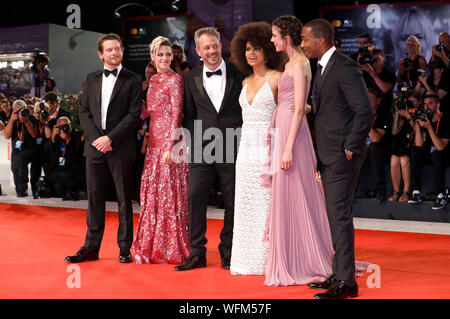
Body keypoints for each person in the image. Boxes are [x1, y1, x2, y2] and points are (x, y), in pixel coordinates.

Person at [301, 18, 373, 299]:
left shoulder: (345, 67)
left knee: (339, 216)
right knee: (335, 216)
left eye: (306, 40)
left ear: (320, 39)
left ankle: (348, 283)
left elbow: (364, 110)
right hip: (329, 154)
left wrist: (350, 147)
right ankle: (339, 273)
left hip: (343, 156)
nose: (303, 45)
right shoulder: (322, 67)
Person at [260, 15, 333, 288]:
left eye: (274, 35)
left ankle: (302, 260)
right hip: (285, 132)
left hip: (293, 139)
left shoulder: (300, 63)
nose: (271, 39)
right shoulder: (291, 62)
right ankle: (292, 257)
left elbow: (300, 107)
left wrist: (288, 148)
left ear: (286, 37)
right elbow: (301, 104)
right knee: (288, 196)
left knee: (297, 194)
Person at [65, 33, 142, 264]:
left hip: (120, 146)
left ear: (122, 51)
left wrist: (110, 138)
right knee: (95, 199)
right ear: (101, 54)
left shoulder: (133, 79)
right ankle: (91, 247)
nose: (114, 53)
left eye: (117, 49)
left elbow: (133, 114)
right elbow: (83, 111)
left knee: (123, 200)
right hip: (94, 147)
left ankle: (124, 248)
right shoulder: (91, 78)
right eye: (109, 50)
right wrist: (98, 138)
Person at [175, 27, 244, 271]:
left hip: (232, 145)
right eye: (207, 47)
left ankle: (228, 250)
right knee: (194, 197)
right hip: (202, 149)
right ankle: (197, 252)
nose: (212, 51)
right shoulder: (190, 77)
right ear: (198, 51)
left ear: (221, 45)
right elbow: (189, 115)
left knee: (233, 201)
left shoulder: (239, 73)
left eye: (215, 45)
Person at [228, 21, 285, 275]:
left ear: (268, 52)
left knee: (267, 207)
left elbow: (290, 115)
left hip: (268, 150)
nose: (251, 53)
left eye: (257, 49)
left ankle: (268, 260)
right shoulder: (243, 82)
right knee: (246, 207)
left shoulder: (278, 78)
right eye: (248, 49)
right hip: (246, 153)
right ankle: (245, 259)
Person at [133, 36, 190, 264]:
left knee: (169, 197)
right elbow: (147, 113)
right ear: (153, 56)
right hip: (154, 145)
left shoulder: (175, 80)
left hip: (169, 145)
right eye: (161, 54)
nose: (165, 58)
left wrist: (171, 147)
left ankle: (170, 247)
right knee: (154, 197)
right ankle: (154, 245)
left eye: (168, 55)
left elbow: (177, 114)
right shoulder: (153, 80)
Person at [408, 94, 450, 210]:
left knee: (437, 153)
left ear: (437, 105)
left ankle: (440, 195)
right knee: (415, 151)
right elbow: (419, 144)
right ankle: (416, 192)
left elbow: (441, 146)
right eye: (425, 104)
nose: (427, 107)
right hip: (430, 153)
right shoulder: (425, 119)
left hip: (444, 153)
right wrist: (417, 126)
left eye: (430, 103)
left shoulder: (446, 119)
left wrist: (429, 127)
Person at [3, 99, 38, 197]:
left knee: (21, 160)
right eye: (18, 111)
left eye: (22, 110)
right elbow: (6, 135)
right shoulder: (12, 120)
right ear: (14, 111)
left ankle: (23, 189)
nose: (20, 113)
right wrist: (11, 120)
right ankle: (19, 189)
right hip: (17, 150)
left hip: (30, 149)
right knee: (15, 166)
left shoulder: (31, 118)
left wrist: (26, 121)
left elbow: (34, 134)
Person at [47, 116, 84, 200]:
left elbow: (77, 156)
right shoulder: (57, 137)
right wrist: (52, 138)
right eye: (61, 126)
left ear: (70, 125)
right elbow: (48, 153)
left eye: (66, 125)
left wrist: (68, 141)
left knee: (60, 185)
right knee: (51, 181)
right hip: (58, 170)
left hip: (72, 170)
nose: (64, 128)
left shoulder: (77, 136)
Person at [364, 89, 390, 203]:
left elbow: (376, 138)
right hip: (362, 147)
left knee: (374, 148)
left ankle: (380, 190)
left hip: (381, 150)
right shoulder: (357, 114)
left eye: (370, 98)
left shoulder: (383, 115)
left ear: (378, 101)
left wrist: (365, 120)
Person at [388, 97, 415, 202]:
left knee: (404, 159)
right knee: (394, 159)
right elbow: (394, 132)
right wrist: (397, 114)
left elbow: (416, 129)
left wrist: (408, 115)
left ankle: (406, 192)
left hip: (412, 148)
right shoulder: (398, 119)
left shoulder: (413, 115)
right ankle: (396, 191)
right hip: (400, 148)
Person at [30, 101, 52, 199]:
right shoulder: (32, 121)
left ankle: (49, 190)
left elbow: (48, 136)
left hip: (46, 151)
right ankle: (34, 190)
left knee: (48, 172)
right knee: (34, 172)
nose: (42, 113)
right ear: (35, 112)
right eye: (40, 112)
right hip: (35, 151)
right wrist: (36, 120)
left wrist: (45, 122)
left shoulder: (51, 121)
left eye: (45, 111)